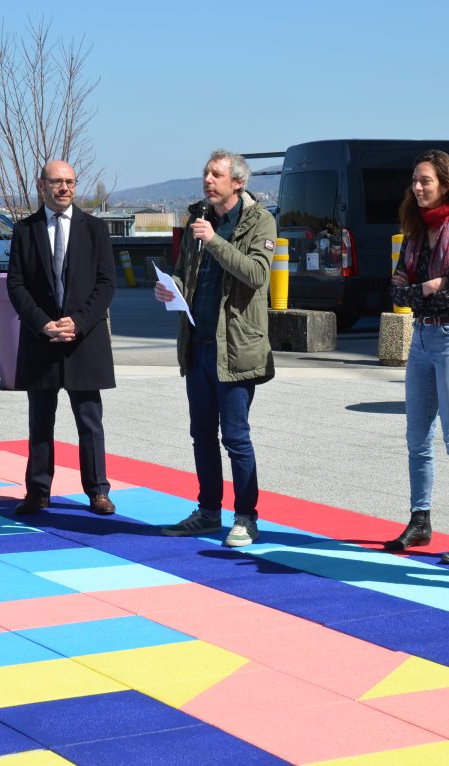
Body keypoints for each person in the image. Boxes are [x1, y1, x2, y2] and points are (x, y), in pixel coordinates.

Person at [153, 149, 276, 548]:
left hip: (236, 346)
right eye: (206, 173)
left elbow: (256, 274)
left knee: (236, 437)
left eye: (216, 174)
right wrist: (170, 285)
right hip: (198, 343)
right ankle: (208, 512)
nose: (207, 179)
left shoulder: (260, 221)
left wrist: (215, 242)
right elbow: (188, 270)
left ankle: (246, 518)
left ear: (237, 182)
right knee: (201, 434)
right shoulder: (198, 219)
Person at [384, 150, 449, 565]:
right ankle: (420, 520)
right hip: (423, 338)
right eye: (414, 180)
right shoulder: (413, 233)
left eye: (425, 180)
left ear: (446, 183)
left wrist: (423, 288)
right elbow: (396, 293)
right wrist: (426, 287)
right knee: (416, 438)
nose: (418, 187)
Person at [6, 160, 117, 517]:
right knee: (41, 421)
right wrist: (42, 324)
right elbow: (16, 285)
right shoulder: (25, 230)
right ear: (42, 185)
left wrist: (79, 323)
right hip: (42, 341)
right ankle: (38, 491)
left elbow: (106, 285)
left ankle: (98, 490)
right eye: (57, 182)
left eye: (70, 181)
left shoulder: (96, 229)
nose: (64, 188)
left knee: (89, 421)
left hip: (84, 340)